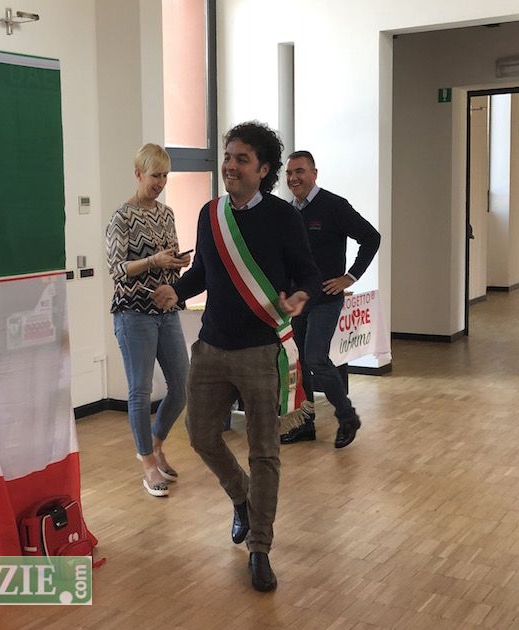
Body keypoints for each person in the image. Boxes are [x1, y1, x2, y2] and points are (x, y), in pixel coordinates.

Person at [152, 122, 320, 592]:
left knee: (264, 451)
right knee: (201, 435)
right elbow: (204, 273)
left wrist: (301, 295)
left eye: (241, 159)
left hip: (260, 352)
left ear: (263, 170)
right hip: (210, 349)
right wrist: (177, 290)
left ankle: (260, 548)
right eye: (227, 156)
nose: (229, 165)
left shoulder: (283, 218)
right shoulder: (211, 215)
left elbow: (307, 273)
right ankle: (241, 496)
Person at [105, 143, 191, 498]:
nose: (161, 182)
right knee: (140, 391)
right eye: (156, 175)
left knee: (181, 385)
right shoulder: (121, 218)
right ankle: (147, 462)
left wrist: (177, 262)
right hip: (133, 313)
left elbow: (169, 257)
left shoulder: (167, 214)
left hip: (165, 311)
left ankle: (155, 442)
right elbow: (117, 269)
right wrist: (154, 261)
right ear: (138, 174)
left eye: (165, 176)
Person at [280, 150, 381, 448]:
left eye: (299, 171)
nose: (293, 178)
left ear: (314, 173)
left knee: (315, 358)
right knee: (299, 362)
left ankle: (347, 417)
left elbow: (371, 237)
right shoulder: (288, 212)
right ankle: (305, 422)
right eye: (289, 173)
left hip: (326, 299)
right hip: (297, 301)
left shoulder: (334, 206)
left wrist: (350, 277)